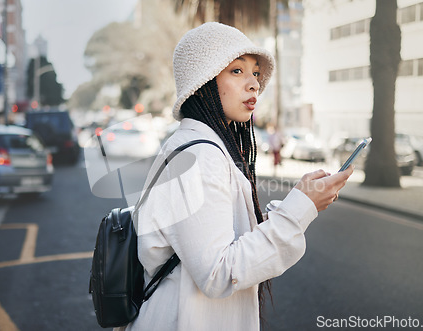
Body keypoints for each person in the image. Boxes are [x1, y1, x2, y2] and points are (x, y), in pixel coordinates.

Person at [119, 22, 353, 331]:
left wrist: (300, 201)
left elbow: (223, 239)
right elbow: (218, 273)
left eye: (255, 73)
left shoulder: (202, 148)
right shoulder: (200, 157)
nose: (254, 84)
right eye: (237, 71)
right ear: (202, 82)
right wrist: (300, 210)